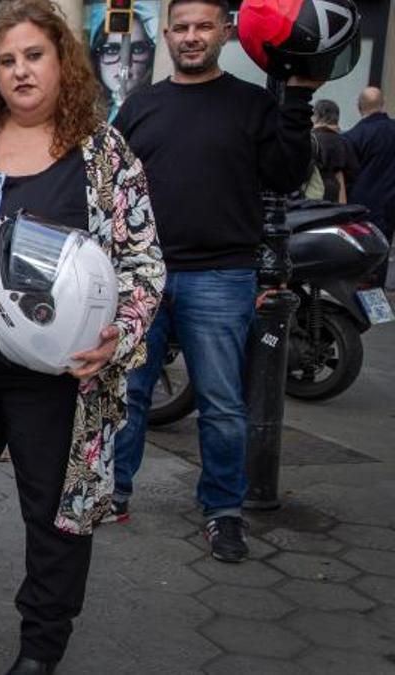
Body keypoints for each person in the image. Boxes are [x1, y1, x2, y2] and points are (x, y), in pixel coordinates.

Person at [0, 1, 165, 672]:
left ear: (62, 63)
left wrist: (119, 334)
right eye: (6, 60)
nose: (20, 71)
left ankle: (41, 648)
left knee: (55, 520)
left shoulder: (103, 152)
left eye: (33, 56)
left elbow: (144, 262)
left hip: (61, 378)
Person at [110, 0, 321, 562]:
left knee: (223, 404)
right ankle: (114, 492)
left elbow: (287, 174)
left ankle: (223, 510)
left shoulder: (252, 104)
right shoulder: (139, 106)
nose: (191, 36)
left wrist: (297, 101)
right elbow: (107, 188)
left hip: (222, 276)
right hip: (144, 274)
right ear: (169, 37)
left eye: (203, 26)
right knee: (127, 394)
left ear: (225, 32)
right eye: (180, 27)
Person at [87, 2, 158, 120]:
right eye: (111, 50)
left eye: (137, 49)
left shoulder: (153, 115)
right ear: (96, 58)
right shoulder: (87, 113)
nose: (124, 61)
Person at [344, 87, 395, 243]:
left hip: (361, 208)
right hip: (390, 206)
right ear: (383, 104)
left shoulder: (353, 136)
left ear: (359, 106)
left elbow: (348, 174)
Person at [311, 99, 356, 204]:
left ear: (317, 116)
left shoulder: (312, 139)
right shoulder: (345, 141)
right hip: (337, 194)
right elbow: (352, 172)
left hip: (313, 194)